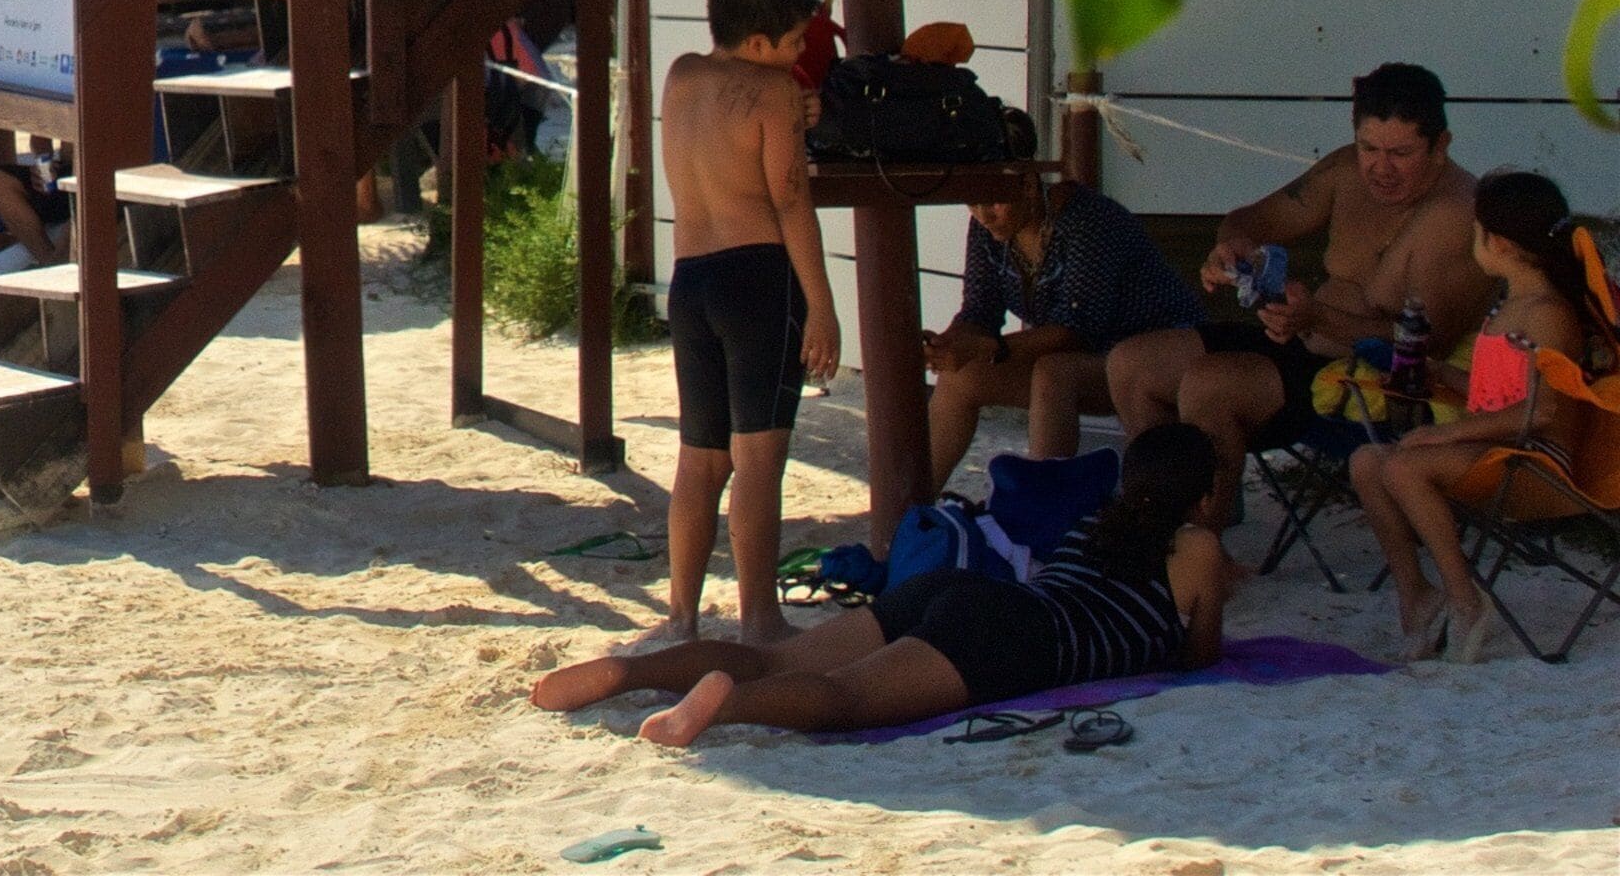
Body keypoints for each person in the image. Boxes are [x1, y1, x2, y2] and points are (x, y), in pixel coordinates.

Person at [529, 422, 1230, 743]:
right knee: (850, 699)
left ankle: (628, 671)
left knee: (779, 656)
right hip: (1016, 635)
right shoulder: (1197, 546)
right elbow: (1200, 656)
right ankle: (726, 708)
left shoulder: (1094, 525)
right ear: (1200, 499)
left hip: (967, 593)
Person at [1107, 62, 1492, 524]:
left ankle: (1200, 547)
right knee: (1132, 365)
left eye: (1400, 153)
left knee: (1212, 383)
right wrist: (1233, 246)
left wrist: (1317, 320)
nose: (1380, 168)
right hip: (1303, 342)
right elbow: (1252, 218)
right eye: (1369, 147)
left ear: (1440, 146)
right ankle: (1167, 520)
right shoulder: (1346, 170)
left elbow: (1430, 347)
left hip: (1378, 385)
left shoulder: (1455, 214)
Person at [1347, 170, 1617, 662]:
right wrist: (1438, 377)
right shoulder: (1507, 306)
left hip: (1537, 463)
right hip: (1497, 452)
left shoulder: (1546, 313)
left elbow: (1541, 411)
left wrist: (1441, 435)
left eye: (1476, 230)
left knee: (1406, 463)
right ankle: (1417, 595)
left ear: (1499, 241)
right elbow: (1495, 395)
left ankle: (1466, 601)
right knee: (1368, 461)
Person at [657, 0, 841, 645]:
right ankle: (760, 615)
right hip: (757, 276)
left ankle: (681, 612)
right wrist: (821, 305)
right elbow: (791, 200)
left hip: (691, 278)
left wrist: (797, 109)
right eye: (795, 43)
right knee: (760, 454)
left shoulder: (681, 75)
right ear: (761, 44)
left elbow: (729, 123)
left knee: (699, 457)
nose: (801, 57)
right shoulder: (774, 91)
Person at [924, 178, 1204, 498]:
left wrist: (987, 347)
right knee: (960, 376)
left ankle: (1041, 517)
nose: (983, 215)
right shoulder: (989, 229)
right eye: (972, 205)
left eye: (993, 203)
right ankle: (909, 516)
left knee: (1054, 373)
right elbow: (979, 311)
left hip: (1157, 357)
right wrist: (947, 345)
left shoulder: (1088, 220)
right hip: (1093, 361)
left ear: (1028, 185)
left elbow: (1076, 330)